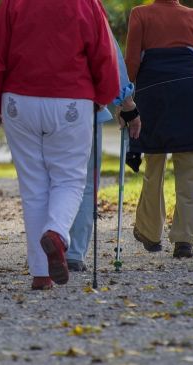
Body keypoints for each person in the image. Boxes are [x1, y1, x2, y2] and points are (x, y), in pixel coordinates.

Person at [0, 0, 119, 290]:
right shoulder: (85, 3)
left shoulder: (14, 3)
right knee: (70, 179)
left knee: (33, 186)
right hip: (71, 99)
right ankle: (57, 233)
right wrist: (104, 94)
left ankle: (41, 273)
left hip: (19, 101)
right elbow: (104, 53)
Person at [125, 0, 193, 259]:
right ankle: (184, 240)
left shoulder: (140, 15)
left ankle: (149, 231)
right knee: (192, 171)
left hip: (154, 98)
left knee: (154, 165)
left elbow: (131, 67)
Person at [67, 39, 140, 272]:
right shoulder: (90, 8)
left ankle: (47, 250)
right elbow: (111, 56)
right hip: (85, 107)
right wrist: (127, 104)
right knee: (85, 182)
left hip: (38, 107)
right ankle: (74, 253)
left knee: (45, 182)